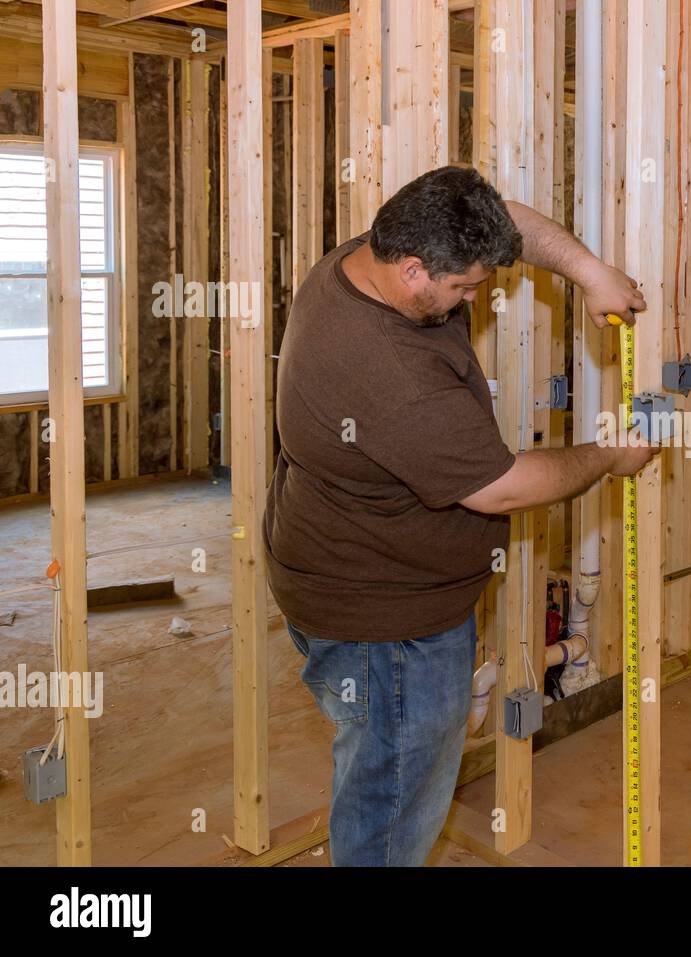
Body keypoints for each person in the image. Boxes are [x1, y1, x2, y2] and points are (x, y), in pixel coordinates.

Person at [263, 166, 653, 866]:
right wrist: (608, 457)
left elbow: (507, 220)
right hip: (383, 625)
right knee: (390, 807)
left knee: (380, 774)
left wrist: (589, 270)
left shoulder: (377, 253)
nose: (475, 296)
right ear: (415, 270)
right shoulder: (384, 370)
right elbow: (501, 486)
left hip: (362, 575)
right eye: (464, 288)